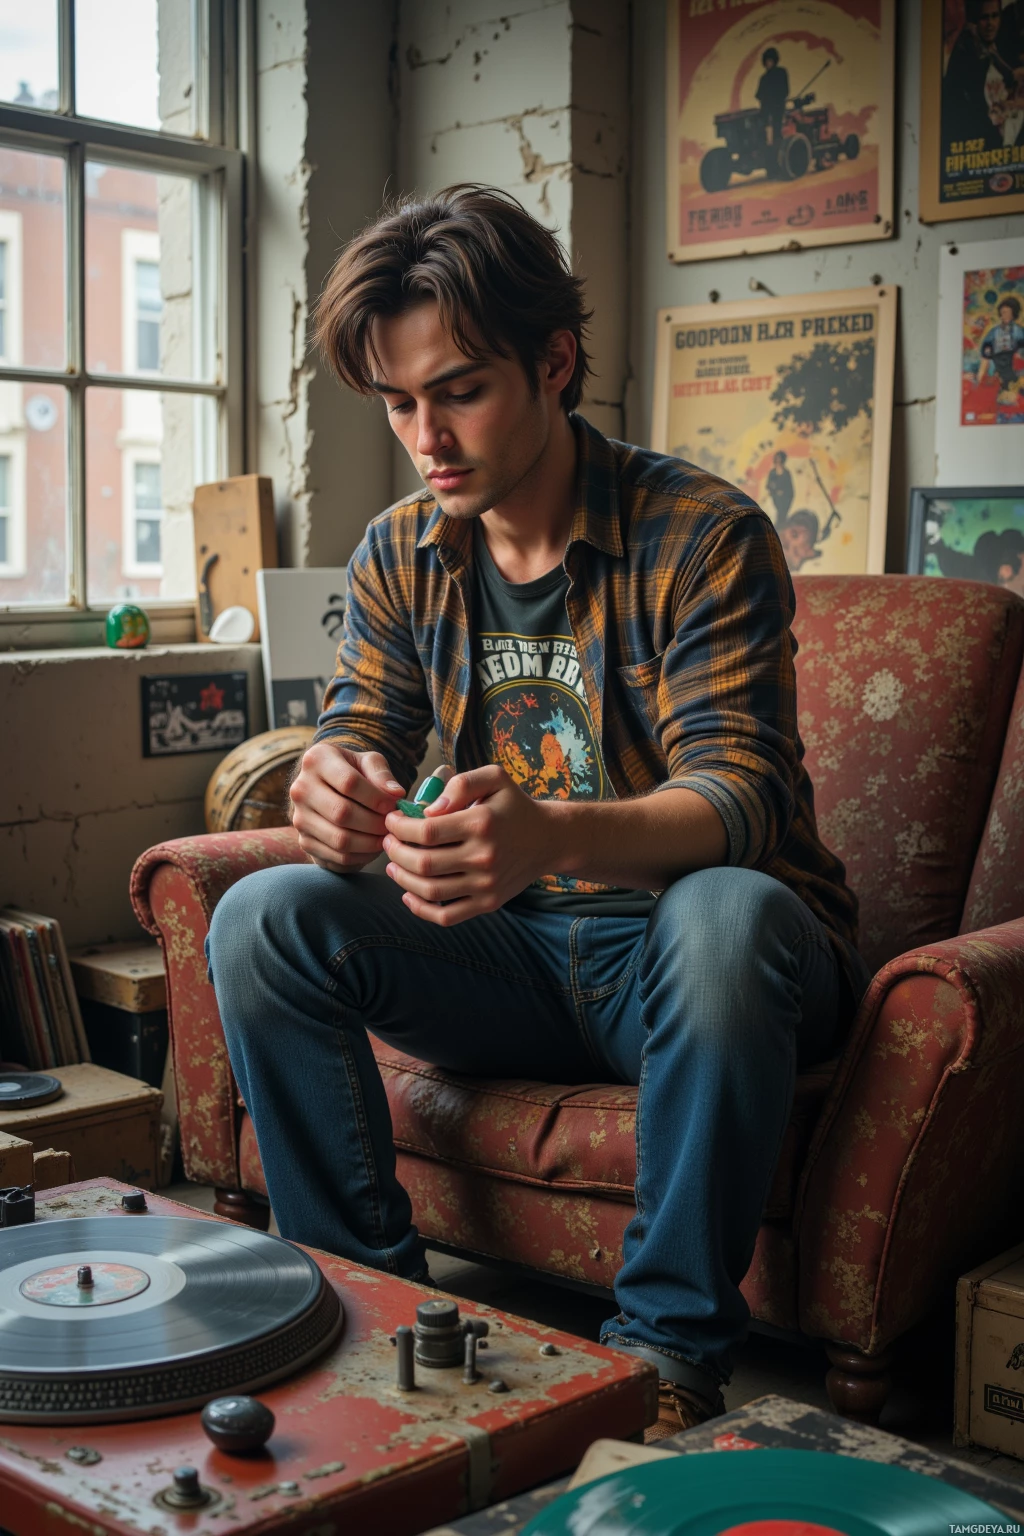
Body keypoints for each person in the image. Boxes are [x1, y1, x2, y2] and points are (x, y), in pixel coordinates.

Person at [207, 185, 868, 1442]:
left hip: (695, 964)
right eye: (399, 403)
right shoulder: (400, 550)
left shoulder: (703, 532)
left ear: (554, 361)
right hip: (511, 963)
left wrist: (550, 834)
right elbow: (361, 730)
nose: (426, 436)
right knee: (263, 917)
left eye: (458, 391)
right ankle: (366, 1305)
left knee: (725, 915)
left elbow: (744, 795)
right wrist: (330, 786)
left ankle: (668, 1353)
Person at [943, 0, 1019, 150]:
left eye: (994, 16)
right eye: (984, 18)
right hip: (975, 139)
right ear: (975, 21)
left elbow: (1012, 76)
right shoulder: (966, 49)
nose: (990, 23)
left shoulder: (997, 46)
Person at [978, 295, 1024, 401]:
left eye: (1007, 312)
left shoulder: (1019, 331)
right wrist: (981, 375)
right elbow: (985, 354)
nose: (1004, 315)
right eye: (1003, 312)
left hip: (1014, 365)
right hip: (997, 365)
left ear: (1013, 314)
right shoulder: (994, 332)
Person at [755, 46, 790, 149]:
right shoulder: (763, 78)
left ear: (774, 61)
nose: (768, 63)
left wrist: (774, 99)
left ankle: (777, 147)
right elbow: (759, 95)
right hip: (766, 109)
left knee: (777, 130)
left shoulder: (781, 72)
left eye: (770, 61)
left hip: (777, 108)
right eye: (767, 61)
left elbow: (785, 90)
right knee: (761, 128)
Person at [766, 450, 795, 523]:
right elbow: (768, 485)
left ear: (783, 460)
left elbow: (790, 488)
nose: (778, 461)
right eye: (777, 459)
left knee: (782, 515)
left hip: (785, 499)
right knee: (776, 515)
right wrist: (774, 490)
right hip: (775, 498)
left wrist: (783, 492)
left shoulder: (786, 473)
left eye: (780, 459)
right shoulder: (772, 472)